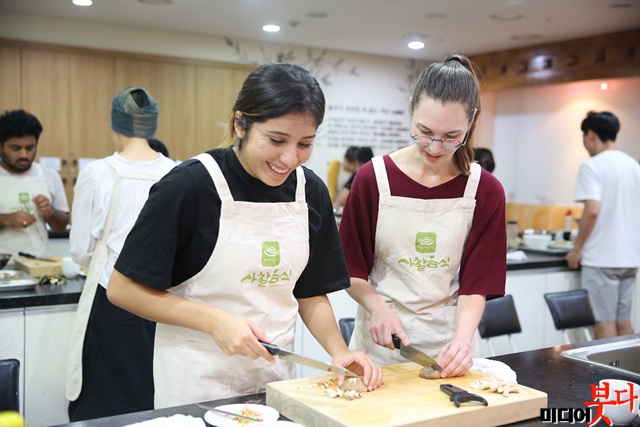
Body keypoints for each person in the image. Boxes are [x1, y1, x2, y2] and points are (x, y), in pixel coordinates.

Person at [106, 63, 383, 409]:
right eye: (276, 140)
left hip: (275, 381)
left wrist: (339, 351)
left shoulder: (310, 191)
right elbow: (122, 288)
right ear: (241, 124)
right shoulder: (189, 185)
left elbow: (310, 293)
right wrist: (215, 320)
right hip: (195, 382)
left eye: (305, 144)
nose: (289, 158)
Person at [339, 54, 507, 378]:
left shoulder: (485, 191)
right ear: (411, 107)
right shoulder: (372, 179)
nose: (434, 148)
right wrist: (376, 307)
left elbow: (476, 283)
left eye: (450, 137)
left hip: (449, 351)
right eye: (424, 131)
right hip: (380, 349)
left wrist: (462, 341)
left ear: (472, 121)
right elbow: (351, 270)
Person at [66, 86, 177, 421]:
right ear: (152, 127)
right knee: (155, 397)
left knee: (107, 402)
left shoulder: (98, 173)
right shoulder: (178, 172)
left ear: (115, 128)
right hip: (165, 304)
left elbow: (81, 251)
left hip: (111, 300)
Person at [565, 111, 640, 340]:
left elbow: (593, 211)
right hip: (630, 258)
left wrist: (576, 250)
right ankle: (631, 376)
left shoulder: (592, 166)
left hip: (602, 258)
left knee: (604, 323)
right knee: (623, 321)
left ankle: (606, 376)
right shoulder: (634, 166)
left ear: (590, 135)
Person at [0, 109, 70, 260]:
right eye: (15, 148)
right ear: (1, 146)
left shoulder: (49, 175)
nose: (23, 155)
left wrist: (51, 213)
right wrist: (5, 219)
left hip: (39, 264)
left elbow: (62, 224)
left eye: (30, 148)